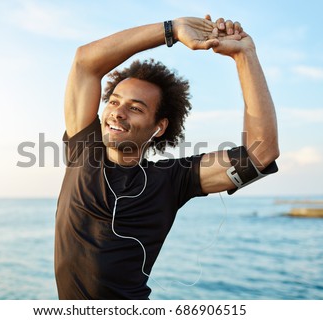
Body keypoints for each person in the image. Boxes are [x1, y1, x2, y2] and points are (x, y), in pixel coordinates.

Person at [55, 15, 279, 299]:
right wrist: (171, 30)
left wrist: (244, 56)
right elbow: (84, 62)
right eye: (114, 101)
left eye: (135, 108)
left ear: (159, 126)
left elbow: (261, 153)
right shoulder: (83, 150)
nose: (118, 113)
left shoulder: (172, 179)